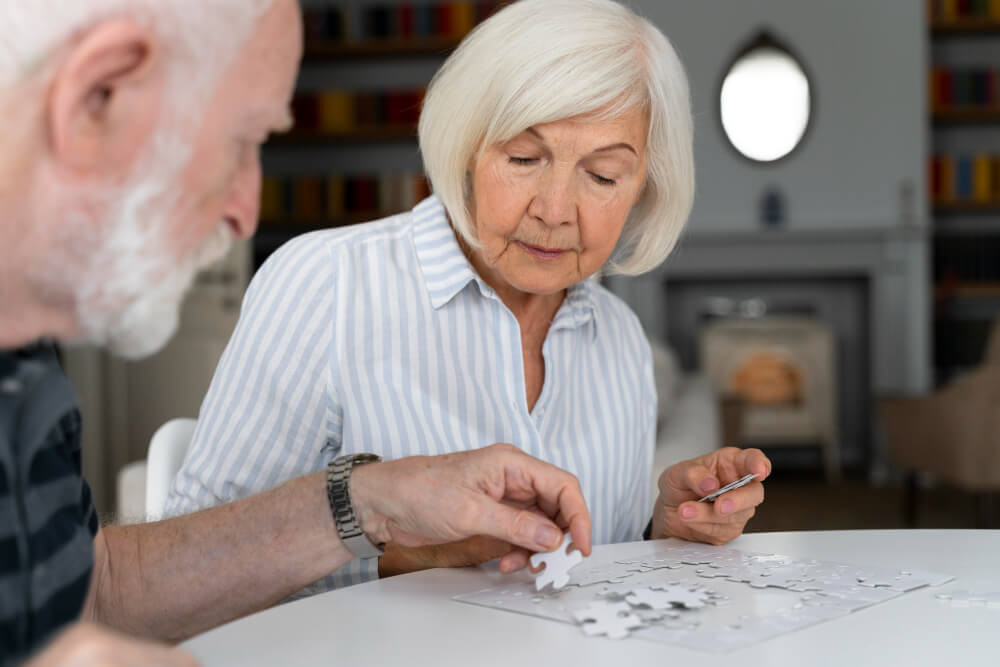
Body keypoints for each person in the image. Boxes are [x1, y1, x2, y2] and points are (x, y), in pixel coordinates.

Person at [0, 1, 594, 664]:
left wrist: (374, 501)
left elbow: (94, 588)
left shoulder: (24, 357)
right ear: (97, 93)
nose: (246, 211)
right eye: (241, 141)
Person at [167, 0, 771, 591]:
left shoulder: (619, 337)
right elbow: (190, 568)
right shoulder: (326, 284)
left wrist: (660, 528)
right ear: (466, 147)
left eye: (603, 175)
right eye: (523, 157)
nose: (555, 211)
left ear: (644, 187)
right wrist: (397, 556)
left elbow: (585, 573)